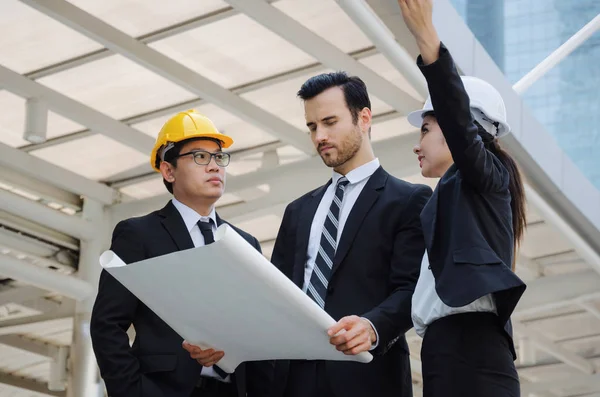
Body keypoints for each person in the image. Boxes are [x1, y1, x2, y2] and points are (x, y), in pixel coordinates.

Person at [270, 70, 432, 397]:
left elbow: (412, 288)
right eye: (313, 127)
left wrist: (373, 327)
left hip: (367, 376)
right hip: (293, 379)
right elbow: (273, 295)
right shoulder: (298, 211)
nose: (319, 136)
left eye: (330, 122)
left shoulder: (408, 200)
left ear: (364, 118)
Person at [90, 110, 274, 397]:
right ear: (169, 171)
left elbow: (257, 326)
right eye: (200, 157)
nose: (214, 166)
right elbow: (107, 324)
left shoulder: (245, 243)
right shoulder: (139, 235)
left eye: (219, 157)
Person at [398, 1, 528, 396]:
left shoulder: (487, 173)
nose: (417, 145)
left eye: (425, 128)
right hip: (446, 353)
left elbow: (457, 119)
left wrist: (427, 39)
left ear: (463, 128)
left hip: (471, 352)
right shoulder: (456, 198)